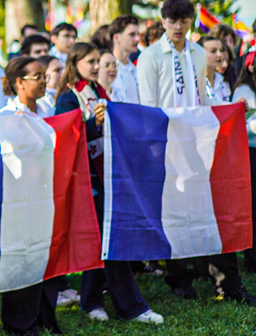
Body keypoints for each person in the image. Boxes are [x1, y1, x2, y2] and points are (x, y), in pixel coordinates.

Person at [138, 0, 254, 304]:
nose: (178, 27)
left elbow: (203, 99)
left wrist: (229, 109)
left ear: (191, 22)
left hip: (199, 142)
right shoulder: (150, 56)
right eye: (172, 21)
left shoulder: (198, 53)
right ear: (163, 22)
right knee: (175, 211)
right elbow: (148, 106)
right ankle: (178, 276)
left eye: (184, 21)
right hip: (168, 144)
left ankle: (224, 280)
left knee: (211, 205)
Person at [56, 43, 163, 325]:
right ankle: (131, 306)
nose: (95, 67)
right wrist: (94, 124)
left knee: (103, 241)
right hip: (86, 180)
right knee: (112, 240)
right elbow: (66, 138)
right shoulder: (69, 97)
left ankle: (91, 300)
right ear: (75, 63)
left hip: (108, 174)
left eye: (98, 61)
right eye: (90, 61)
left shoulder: (101, 92)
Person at [0, 56, 61, 335]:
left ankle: (44, 316)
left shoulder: (46, 110)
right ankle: (18, 323)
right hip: (20, 200)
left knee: (43, 254)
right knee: (21, 257)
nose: (44, 81)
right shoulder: (6, 117)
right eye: (38, 76)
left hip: (45, 196)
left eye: (45, 76)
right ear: (19, 82)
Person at [233, 52, 256, 272]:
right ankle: (254, 260)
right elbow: (239, 126)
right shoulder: (244, 92)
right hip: (251, 153)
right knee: (255, 209)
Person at [108, 15, 140, 104]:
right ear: (116, 37)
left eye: (137, 34)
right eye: (132, 35)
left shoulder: (135, 68)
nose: (137, 39)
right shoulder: (106, 69)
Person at [198, 36, 230, 104]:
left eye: (221, 50)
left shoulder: (222, 81)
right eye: (213, 51)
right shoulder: (196, 82)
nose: (219, 55)